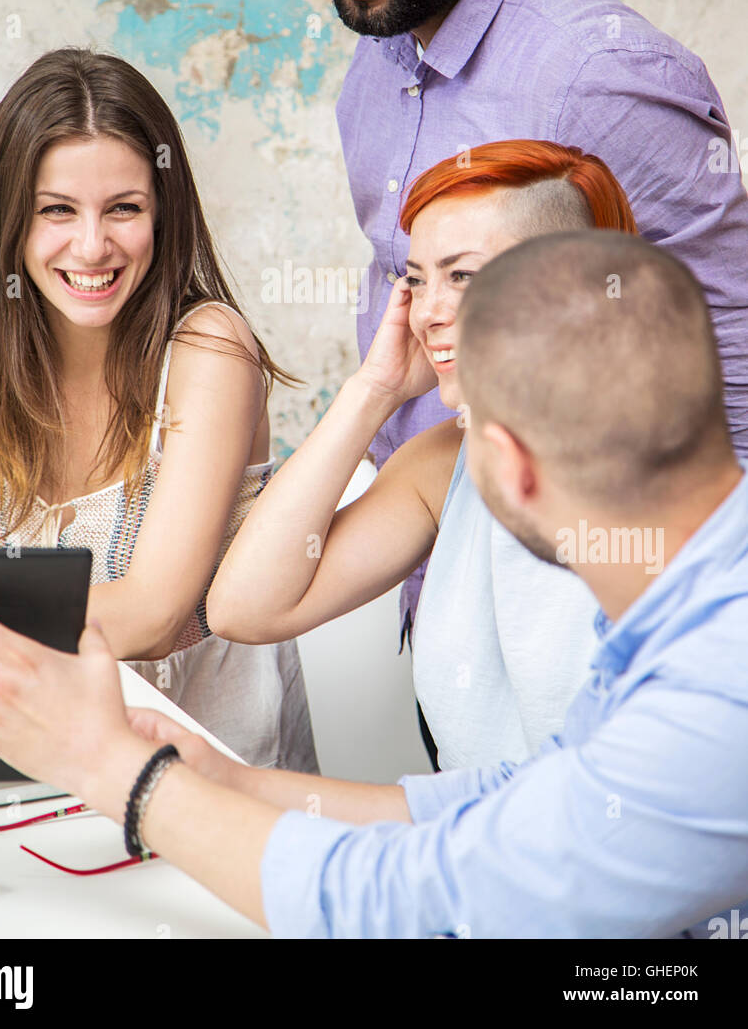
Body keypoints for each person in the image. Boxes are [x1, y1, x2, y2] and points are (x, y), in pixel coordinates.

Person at [0, 231, 748, 938]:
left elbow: (417, 898)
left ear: (510, 466)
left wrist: (110, 767)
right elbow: (512, 804)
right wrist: (218, 778)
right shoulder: (691, 607)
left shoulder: (719, 686)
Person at [308, 0, 748, 657]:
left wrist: (692, 645)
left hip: (601, 630)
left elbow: (736, 356)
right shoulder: (378, 56)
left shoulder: (599, 74)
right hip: (446, 590)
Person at [0, 47, 317, 773]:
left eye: (125, 209)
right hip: (28, 732)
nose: (92, 246)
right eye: (57, 210)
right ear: (11, 218)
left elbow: (152, 614)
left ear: (163, 211)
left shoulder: (210, 351)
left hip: (203, 757)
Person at [207, 141, 636, 771]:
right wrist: (372, 392)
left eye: (462, 275)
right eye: (416, 280)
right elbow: (243, 607)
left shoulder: (666, 491)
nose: (428, 312)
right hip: (470, 852)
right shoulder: (444, 467)